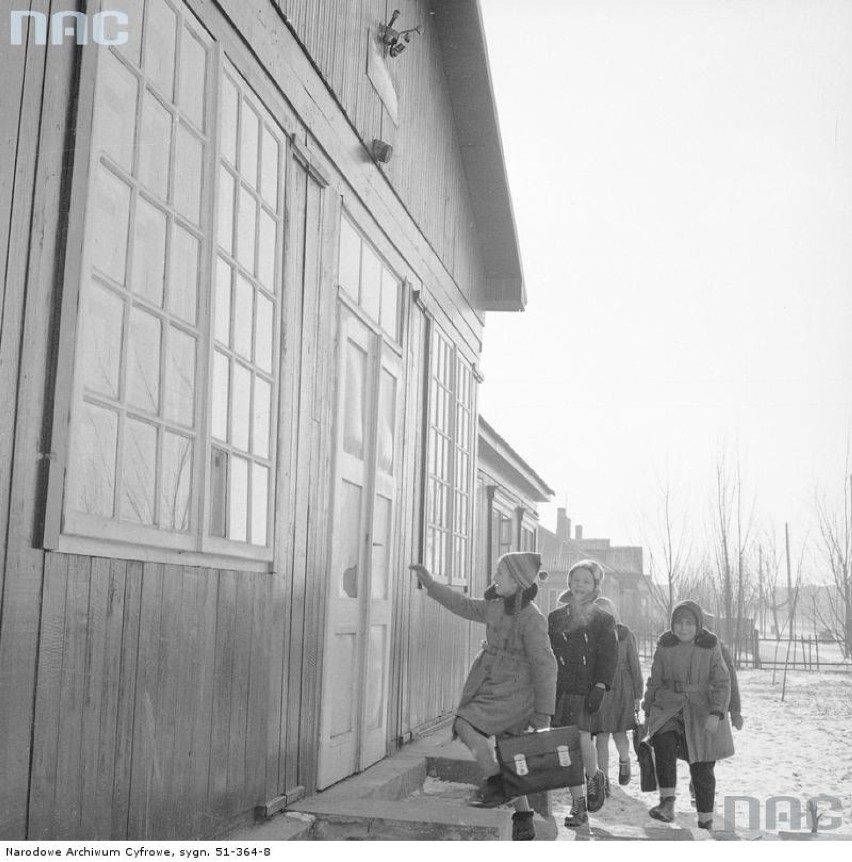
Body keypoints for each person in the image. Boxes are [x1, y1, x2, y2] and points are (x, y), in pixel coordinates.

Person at [408, 552, 557, 841]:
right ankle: (523, 818)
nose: (494, 578)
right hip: (495, 681)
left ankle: (494, 782)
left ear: (518, 581)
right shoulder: (496, 606)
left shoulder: (532, 618)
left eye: (500, 573)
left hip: (515, 689)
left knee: (465, 723)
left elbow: (545, 666)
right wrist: (432, 585)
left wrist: (544, 713)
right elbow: (463, 606)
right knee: (508, 751)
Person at [641, 600, 735, 831]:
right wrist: (647, 708)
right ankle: (667, 802)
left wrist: (716, 712)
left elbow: (723, 682)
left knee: (702, 768)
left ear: (698, 625)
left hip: (702, 710)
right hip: (669, 705)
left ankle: (705, 820)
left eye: (689, 623)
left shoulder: (710, 646)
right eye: (678, 623)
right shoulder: (665, 645)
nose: (683, 628)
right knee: (662, 742)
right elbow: (655, 679)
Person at [547, 559, 618, 827]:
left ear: (595, 586)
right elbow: (543, 650)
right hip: (559, 689)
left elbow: (609, 656)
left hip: (584, 689)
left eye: (586, 581)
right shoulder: (555, 618)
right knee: (564, 748)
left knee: (581, 735)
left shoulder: (602, 619)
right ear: (569, 583)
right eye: (576, 580)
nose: (580, 585)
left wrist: (601, 685)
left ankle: (594, 775)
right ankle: (578, 805)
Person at [591, 596, 644, 796]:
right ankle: (603, 780)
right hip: (602, 688)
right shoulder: (592, 636)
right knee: (601, 735)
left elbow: (634, 664)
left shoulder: (625, 634)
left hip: (622, 687)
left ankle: (624, 760)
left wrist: (637, 694)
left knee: (620, 733)